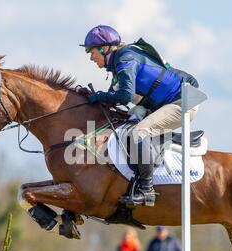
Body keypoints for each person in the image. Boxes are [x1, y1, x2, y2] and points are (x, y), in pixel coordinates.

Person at [80, 25, 200, 207]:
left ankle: (147, 189)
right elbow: (114, 97)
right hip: (165, 103)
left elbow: (125, 96)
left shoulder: (125, 58)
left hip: (182, 102)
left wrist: (100, 97)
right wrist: (94, 97)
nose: (90, 57)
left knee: (138, 133)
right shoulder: (118, 64)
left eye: (92, 51)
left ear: (104, 49)